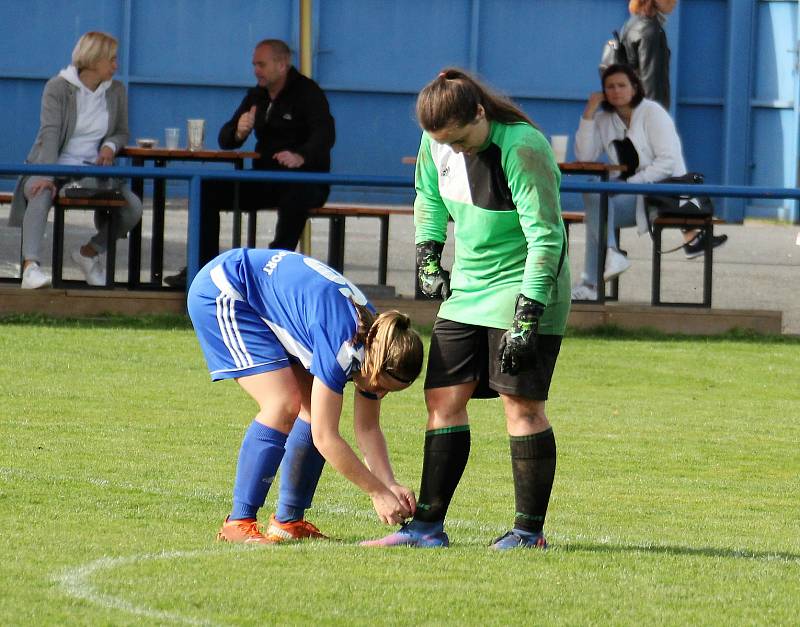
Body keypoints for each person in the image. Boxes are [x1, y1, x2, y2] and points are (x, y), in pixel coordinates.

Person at [362, 68, 571, 550]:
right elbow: (428, 196)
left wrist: (527, 316)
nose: (454, 150)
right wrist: (428, 253)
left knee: (522, 407)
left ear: (479, 112)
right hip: (471, 288)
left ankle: (527, 533)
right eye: (444, 142)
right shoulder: (437, 141)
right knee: (442, 400)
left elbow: (546, 237)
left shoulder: (523, 147)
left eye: (461, 139)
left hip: (526, 287)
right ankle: (426, 528)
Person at [187, 247, 424, 543]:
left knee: (312, 411)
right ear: (373, 363)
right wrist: (376, 492)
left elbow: (367, 427)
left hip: (258, 293)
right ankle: (238, 522)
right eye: (381, 386)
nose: (380, 394)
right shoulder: (345, 342)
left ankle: (288, 521)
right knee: (282, 404)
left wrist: (389, 484)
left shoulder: (378, 337)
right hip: (223, 290)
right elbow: (326, 437)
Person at [165, 39, 335, 288]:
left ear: (282, 64)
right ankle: (203, 268)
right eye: (254, 64)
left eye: (262, 64)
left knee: (296, 197)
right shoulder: (256, 95)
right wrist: (239, 132)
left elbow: (326, 134)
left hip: (303, 180)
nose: (256, 70)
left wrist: (301, 155)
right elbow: (225, 139)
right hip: (264, 178)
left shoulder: (308, 93)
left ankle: (272, 272)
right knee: (206, 190)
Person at [571, 63, 727, 301]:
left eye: (622, 85)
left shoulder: (652, 112)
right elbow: (584, 157)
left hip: (658, 194)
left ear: (635, 87)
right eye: (610, 87)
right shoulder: (604, 119)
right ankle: (611, 255)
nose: (616, 91)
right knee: (594, 197)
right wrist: (589, 113)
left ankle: (592, 283)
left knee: (597, 207)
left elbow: (667, 162)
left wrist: (630, 184)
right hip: (624, 197)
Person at [8, 31, 143, 289]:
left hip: (92, 171)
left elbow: (121, 131)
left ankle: (88, 254)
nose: (117, 65)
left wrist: (109, 147)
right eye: (112, 59)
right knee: (40, 191)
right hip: (51, 163)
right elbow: (50, 133)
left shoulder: (116, 91)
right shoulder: (58, 87)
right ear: (94, 60)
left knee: (133, 207)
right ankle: (30, 267)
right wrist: (47, 174)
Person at [620, 0, 676, 109]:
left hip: (631, 109)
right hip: (646, 115)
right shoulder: (650, 30)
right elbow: (651, 83)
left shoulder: (632, 23)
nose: (674, 2)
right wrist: (655, 119)